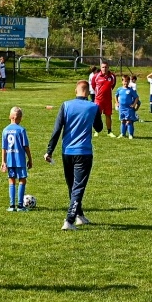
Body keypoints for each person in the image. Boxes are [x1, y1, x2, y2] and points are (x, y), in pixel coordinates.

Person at [45, 80, 103, 230]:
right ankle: (69, 220)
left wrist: (49, 151)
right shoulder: (93, 106)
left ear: (75, 91)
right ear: (88, 91)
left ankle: (79, 216)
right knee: (78, 187)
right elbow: (99, 128)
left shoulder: (66, 105)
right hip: (83, 152)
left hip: (67, 152)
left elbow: (56, 130)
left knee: (72, 186)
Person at [0, 107, 31, 211]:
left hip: (10, 159)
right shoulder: (21, 130)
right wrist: (30, 159)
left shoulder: (5, 130)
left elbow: (4, 148)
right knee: (22, 180)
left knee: (11, 181)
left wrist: (3, 161)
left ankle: (12, 206)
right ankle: (20, 205)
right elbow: (26, 146)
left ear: (10, 117)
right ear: (20, 118)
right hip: (20, 159)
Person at [90, 60, 118, 136]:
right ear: (100, 67)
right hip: (98, 100)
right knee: (97, 115)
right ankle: (97, 131)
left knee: (108, 115)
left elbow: (112, 85)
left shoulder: (112, 76)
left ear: (108, 67)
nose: (104, 69)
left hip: (108, 100)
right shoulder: (96, 76)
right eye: (103, 67)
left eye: (106, 67)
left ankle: (109, 131)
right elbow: (93, 85)